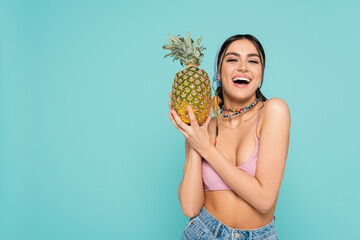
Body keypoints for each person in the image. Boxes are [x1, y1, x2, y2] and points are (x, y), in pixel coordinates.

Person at [168, 34, 291, 240]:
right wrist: (192, 136)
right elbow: (190, 208)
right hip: (202, 232)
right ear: (218, 71)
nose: (243, 67)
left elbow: (264, 200)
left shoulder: (273, 111)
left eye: (253, 61)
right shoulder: (205, 126)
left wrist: (207, 149)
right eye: (233, 59)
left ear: (260, 74)